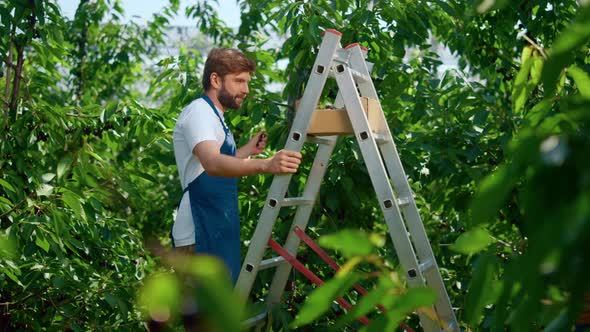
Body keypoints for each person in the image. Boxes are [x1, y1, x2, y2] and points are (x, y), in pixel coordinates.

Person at [171, 48, 302, 284]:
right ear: (215, 79)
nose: (246, 90)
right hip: (198, 233)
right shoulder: (199, 113)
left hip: (217, 224)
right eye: (239, 81)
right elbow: (212, 163)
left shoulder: (215, 116)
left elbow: (207, 165)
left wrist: (246, 152)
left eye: (247, 82)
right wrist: (266, 165)